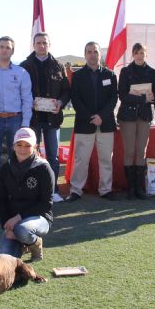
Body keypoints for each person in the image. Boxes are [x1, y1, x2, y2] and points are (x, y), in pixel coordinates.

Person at [20, 32, 70, 202]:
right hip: (32, 119)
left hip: (53, 119)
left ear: (49, 44)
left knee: (53, 157)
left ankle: (52, 190)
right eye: (38, 43)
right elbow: (19, 91)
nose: (42, 45)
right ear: (33, 45)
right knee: (30, 156)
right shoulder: (24, 66)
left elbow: (66, 91)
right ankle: (32, 191)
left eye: (44, 43)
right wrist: (28, 102)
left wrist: (61, 103)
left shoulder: (58, 66)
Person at [66, 42, 118, 201]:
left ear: (99, 54)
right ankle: (76, 190)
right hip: (84, 123)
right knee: (81, 160)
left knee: (106, 159)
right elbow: (76, 99)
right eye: (89, 52)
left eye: (95, 51)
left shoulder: (110, 75)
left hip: (106, 123)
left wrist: (101, 116)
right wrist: (91, 117)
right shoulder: (78, 76)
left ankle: (106, 189)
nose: (92, 55)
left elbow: (113, 98)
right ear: (85, 54)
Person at [0, 36, 33, 203]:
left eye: (8, 47)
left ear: (12, 51)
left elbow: (27, 99)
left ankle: (17, 193)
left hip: (16, 119)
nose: (5, 50)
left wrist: (25, 124)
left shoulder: (21, 73)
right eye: (2, 47)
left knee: (18, 158)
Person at [0, 127, 53, 261]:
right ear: (13, 145)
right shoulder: (6, 168)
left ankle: (35, 243)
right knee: (5, 258)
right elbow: (1, 200)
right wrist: (6, 225)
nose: (23, 148)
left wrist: (18, 218)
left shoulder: (43, 168)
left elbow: (46, 204)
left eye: (27, 145)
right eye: (19, 144)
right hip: (14, 224)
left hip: (39, 218)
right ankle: (24, 243)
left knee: (23, 230)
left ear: (35, 146)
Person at [116, 43, 155, 199]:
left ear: (146, 54)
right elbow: (122, 95)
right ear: (132, 55)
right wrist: (143, 98)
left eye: (142, 53)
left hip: (145, 116)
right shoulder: (126, 71)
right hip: (127, 117)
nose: (139, 56)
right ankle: (130, 188)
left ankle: (139, 188)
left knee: (141, 152)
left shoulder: (152, 72)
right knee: (129, 151)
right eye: (136, 53)